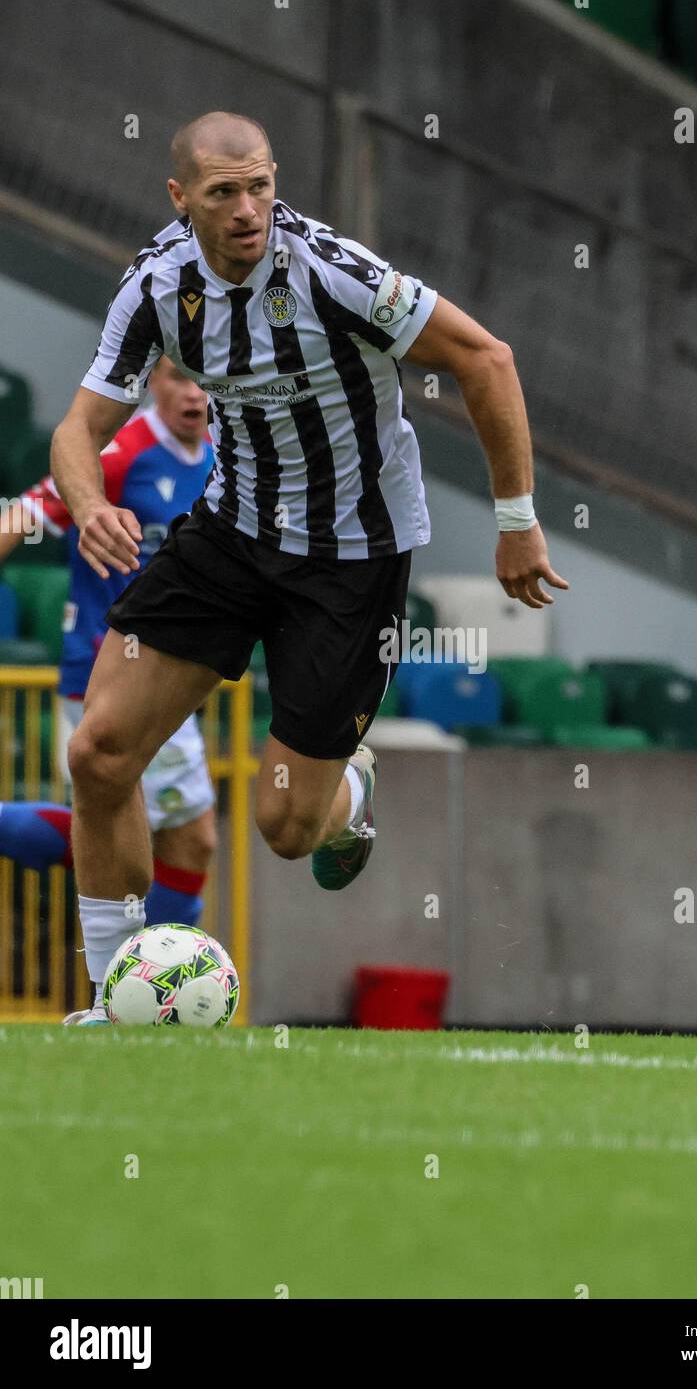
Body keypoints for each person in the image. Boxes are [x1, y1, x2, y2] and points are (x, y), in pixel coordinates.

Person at [50, 110, 568, 1023]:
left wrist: (517, 522)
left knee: (286, 829)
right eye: (224, 193)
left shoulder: (334, 273)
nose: (249, 210)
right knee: (98, 754)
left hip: (352, 559)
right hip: (231, 532)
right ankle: (112, 996)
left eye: (261, 186)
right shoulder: (157, 286)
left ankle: (351, 788)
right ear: (182, 199)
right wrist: (90, 506)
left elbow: (487, 359)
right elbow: (78, 429)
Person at [0, 358, 217, 1023]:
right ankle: (145, 996)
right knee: (180, 837)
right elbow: (22, 517)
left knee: (168, 837)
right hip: (109, 668)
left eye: (205, 379)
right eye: (180, 377)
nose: (194, 393)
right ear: (153, 379)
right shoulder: (122, 453)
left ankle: (141, 995)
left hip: (171, 673)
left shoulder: (219, 455)